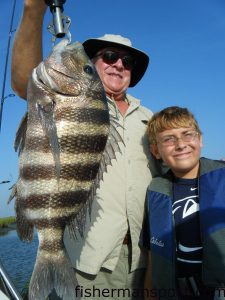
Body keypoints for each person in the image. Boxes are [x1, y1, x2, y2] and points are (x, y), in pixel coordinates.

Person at [11, 1, 154, 299]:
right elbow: (24, 78)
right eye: (110, 57)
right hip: (92, 260)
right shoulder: (59, 98)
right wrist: (33, 9)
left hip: (145, 259)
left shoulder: (151, 119)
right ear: (94, 63)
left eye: (127, 62)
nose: (119, 65)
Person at [143, 106, 225, 300]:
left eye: (187, 135)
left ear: (201, 140)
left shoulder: (221, 176)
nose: (180, 144)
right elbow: (152, 255)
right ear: (155, 151)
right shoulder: (155, 190)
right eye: (168, 139)